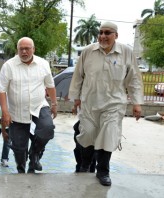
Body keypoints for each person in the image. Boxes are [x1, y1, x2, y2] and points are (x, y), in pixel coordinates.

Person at [69, 21, 144, 186]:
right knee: (87, 134)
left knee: (108, 136)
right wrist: (76, 99)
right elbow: (78, 76)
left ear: (116, 35)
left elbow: (134, 79)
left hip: (114, 104)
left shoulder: (126, 53)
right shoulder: (88, 52)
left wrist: (137, 103)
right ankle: (86, 165)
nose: (103, 36)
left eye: (107, 33)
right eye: (101, 32)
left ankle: (103, 171)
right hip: (89, 103)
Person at [0, 37, 57, 174]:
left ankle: (35, 154)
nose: (24, 51)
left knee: (47, 129)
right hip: (16, 110)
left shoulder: (43, 64)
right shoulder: (9, 66)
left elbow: (50, 85)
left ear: (33, 49)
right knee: (19, 147)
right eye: (21, 49)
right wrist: (5, 112)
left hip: (39, 105)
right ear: (17, 50)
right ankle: (21, 170)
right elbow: (1, 90)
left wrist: (54, 104)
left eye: (27, 48)